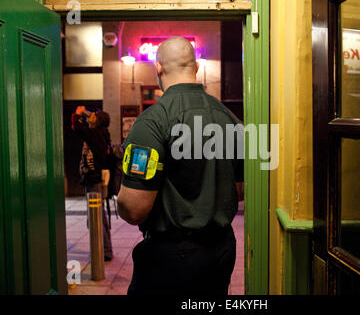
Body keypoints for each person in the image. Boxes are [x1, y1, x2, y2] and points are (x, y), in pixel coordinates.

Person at [117, 36, 244, 296]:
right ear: (196, 67)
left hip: (171, 258)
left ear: (159, 67)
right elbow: (239, 187)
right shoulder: (229, 118)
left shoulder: (152, 122)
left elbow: (134, 209)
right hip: (221, 250)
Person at [72, 107, 114, 262]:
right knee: (98, 217)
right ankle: (105, 249)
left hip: (94, 181)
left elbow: (78, 128)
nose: (91, 116)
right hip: (92, 180)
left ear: (98, 121)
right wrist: (85, 115)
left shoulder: (96, 134)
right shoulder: (98, 133)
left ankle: (105, 251)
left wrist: (77, 113)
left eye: (94, 115)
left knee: (97, 217)